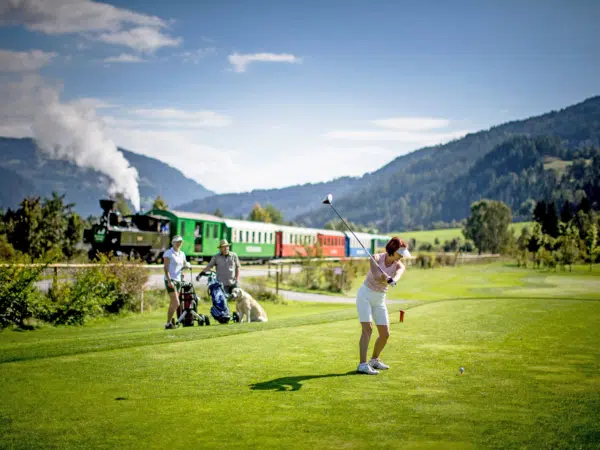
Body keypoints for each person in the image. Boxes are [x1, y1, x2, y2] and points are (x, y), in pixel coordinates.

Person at [356, 237, 410, 375]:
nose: (402, 256)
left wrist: (392, 280)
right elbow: (375, 275)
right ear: (392, 250)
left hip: (380, 299)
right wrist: (384, 277)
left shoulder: (399, 265)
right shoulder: (375, 258)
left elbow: (397, 275)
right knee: (367, 329)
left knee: (385, 334)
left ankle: (374, 360)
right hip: (365, 295)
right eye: (400, 253)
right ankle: (362, 364)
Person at [163, 235, 191, 329]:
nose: (179, 243)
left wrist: (184, 270)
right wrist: (169, 281)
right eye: (177, 242)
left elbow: (183, 264)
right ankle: (168, 323)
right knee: (176, 303)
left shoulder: (182, 254)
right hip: (170, 280)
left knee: (173, 302)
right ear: (173, 243)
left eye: (181, 242)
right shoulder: (168, 253)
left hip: (179, 280)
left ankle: (170, 323)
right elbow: (166, 268)